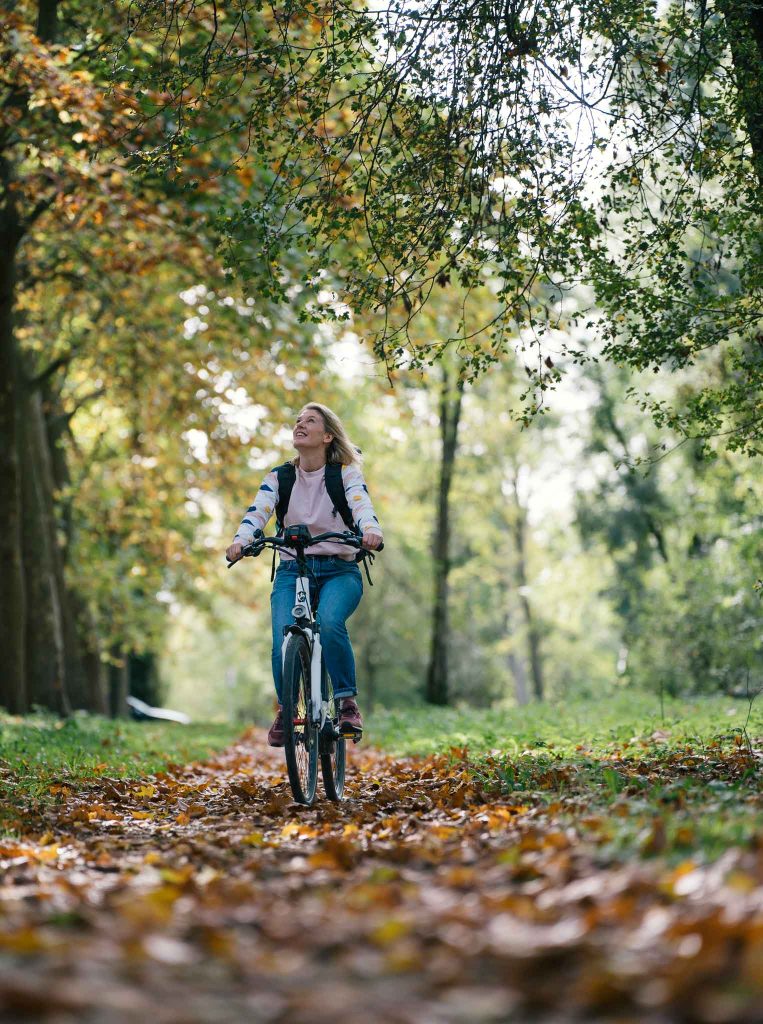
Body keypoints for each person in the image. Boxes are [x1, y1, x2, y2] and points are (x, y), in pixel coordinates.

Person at [225, 403, 383, 747]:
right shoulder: (279, 477)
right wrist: (241, 541)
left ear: (327, 436)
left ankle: (345, 703)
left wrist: (371, 531)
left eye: (310, 420)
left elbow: (361, 505)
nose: (300, 424)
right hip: (292, 570)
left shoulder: (344, 476)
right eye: (297, 420)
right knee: (283, 640)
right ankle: (286, 709)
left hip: (339, 570)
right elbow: (258, 512)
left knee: (328, 622)